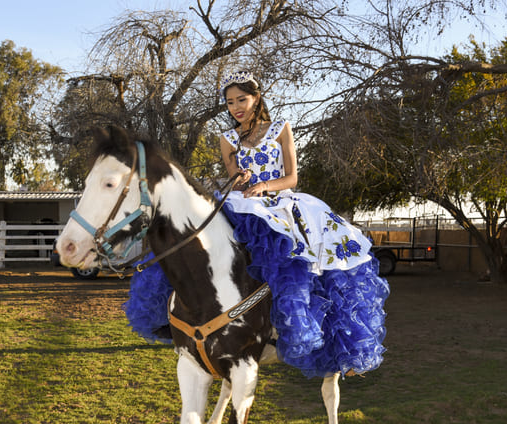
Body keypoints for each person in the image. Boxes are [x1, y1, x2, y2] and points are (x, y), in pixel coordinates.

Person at [125, 70, 389, 378]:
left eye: (242, 99)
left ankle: (308, 327)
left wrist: (265, 186)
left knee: (304, 256)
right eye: (229, 102)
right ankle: (194, 315)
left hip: (282, 201)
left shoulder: (280, 129)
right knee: (197, 234)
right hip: (243, 201)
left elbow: (292, 178)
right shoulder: (228, 139)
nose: (236, 107)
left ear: (256, 98)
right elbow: (234, 179)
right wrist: (239, 179)